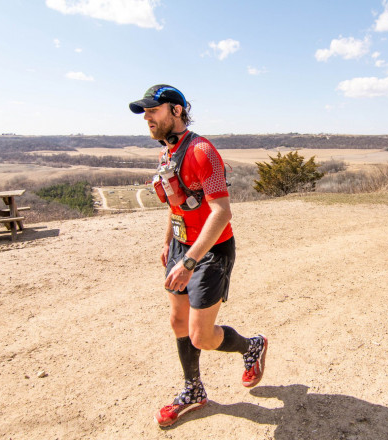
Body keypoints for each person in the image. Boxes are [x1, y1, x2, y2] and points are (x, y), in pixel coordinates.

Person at [129, 84, 267, 427]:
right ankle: (193, 389)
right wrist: (168, 242)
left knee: (201, 336)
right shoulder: (167, 152)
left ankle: (251, 346)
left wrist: (190, 261)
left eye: (153, 110)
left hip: (210, 251)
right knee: (178, 322)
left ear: (176, 111)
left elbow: (221, 212)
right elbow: (177, 204)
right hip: (181, 245)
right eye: (145, 112)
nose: (147, 118)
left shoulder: (203, 151)